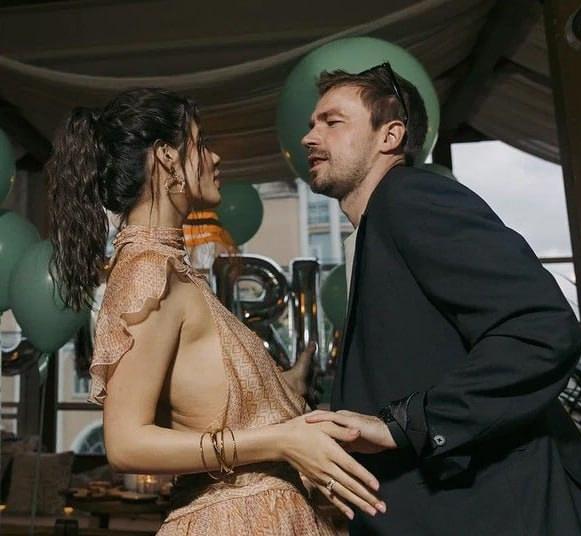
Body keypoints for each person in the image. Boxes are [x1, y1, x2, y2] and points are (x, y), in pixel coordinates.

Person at [47, 88, 387, 534]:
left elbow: (204, 399)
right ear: (167, 157)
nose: (215, 157)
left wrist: (287, 386)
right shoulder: (148, 273)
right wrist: (280, 440)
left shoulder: (174, 271)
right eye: (201, 142)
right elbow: (126, 443)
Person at [300, 64, 581, 534]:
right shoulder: (377, 227)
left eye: (332, 122)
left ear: (390, 135)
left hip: (498, 513)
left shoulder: (410, 197)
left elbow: (541, 328)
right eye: (312, 124)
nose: (310, 137)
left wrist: (405, 424)